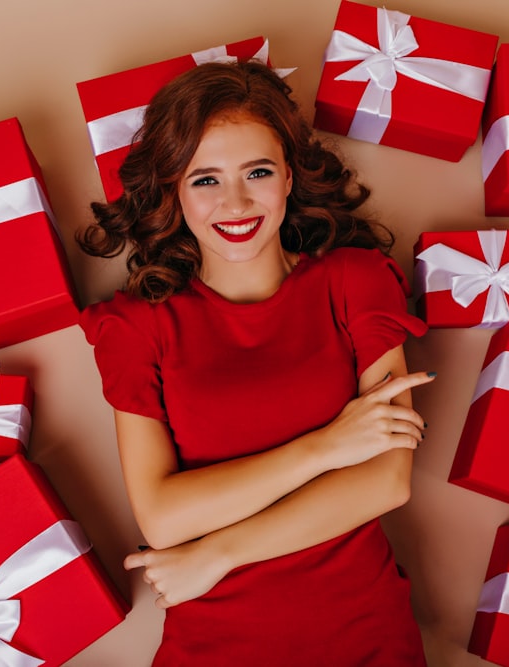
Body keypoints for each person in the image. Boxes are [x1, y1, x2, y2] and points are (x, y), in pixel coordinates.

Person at [78, 59, 434, 666]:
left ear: (289, 177)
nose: (236, 202)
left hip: (365, 635)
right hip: (213, 647)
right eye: (205, 179)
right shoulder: (137, 327)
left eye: (258, 172)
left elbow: (384, 480)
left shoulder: (355, 281)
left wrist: (216, 554)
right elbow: (164, 519)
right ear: (172, 190)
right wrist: (326, 447)